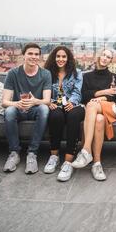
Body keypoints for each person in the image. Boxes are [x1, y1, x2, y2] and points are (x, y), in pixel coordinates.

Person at [2, 43, 51, 174]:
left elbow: (46, 100)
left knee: (44, 109)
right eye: (30, 53)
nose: (33, 57)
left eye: (36, 54)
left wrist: (35, 101)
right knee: (9, 111)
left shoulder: (46, 74)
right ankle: (14, 153)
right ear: (24, 55)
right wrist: (16, 103)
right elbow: (5, 102)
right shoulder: (13, 73)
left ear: (39, 57)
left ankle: (32, 153)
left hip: (35, 109)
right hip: (18, 108)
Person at [71, 49, 116, 181]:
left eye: (108, 57)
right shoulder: (86, 76)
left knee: (92, 105)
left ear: (110, 61)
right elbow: (84, 96)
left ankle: (85, 150)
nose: (105, 58)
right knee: (99, 119)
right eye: (103, 55)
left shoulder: (114, 77)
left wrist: (100, 99)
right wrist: (104, 92)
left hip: (106, 108)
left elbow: (115, 97)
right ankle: (97, 163)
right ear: (99, 56)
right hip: (94, 112)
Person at [43, 46, 84, 182]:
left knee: (73, 116)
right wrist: (49, 102)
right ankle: (54, 156)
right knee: (55, 115)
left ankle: (68, 162)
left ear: (68, 58)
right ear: (54, 58)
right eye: (58, 56)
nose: (61, 59)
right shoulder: (47, 73)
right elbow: (45, 92)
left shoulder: (77, 73)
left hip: (74, 104)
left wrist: (72, 102)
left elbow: (77, 92)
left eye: (64, 56)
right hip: (55, 103)